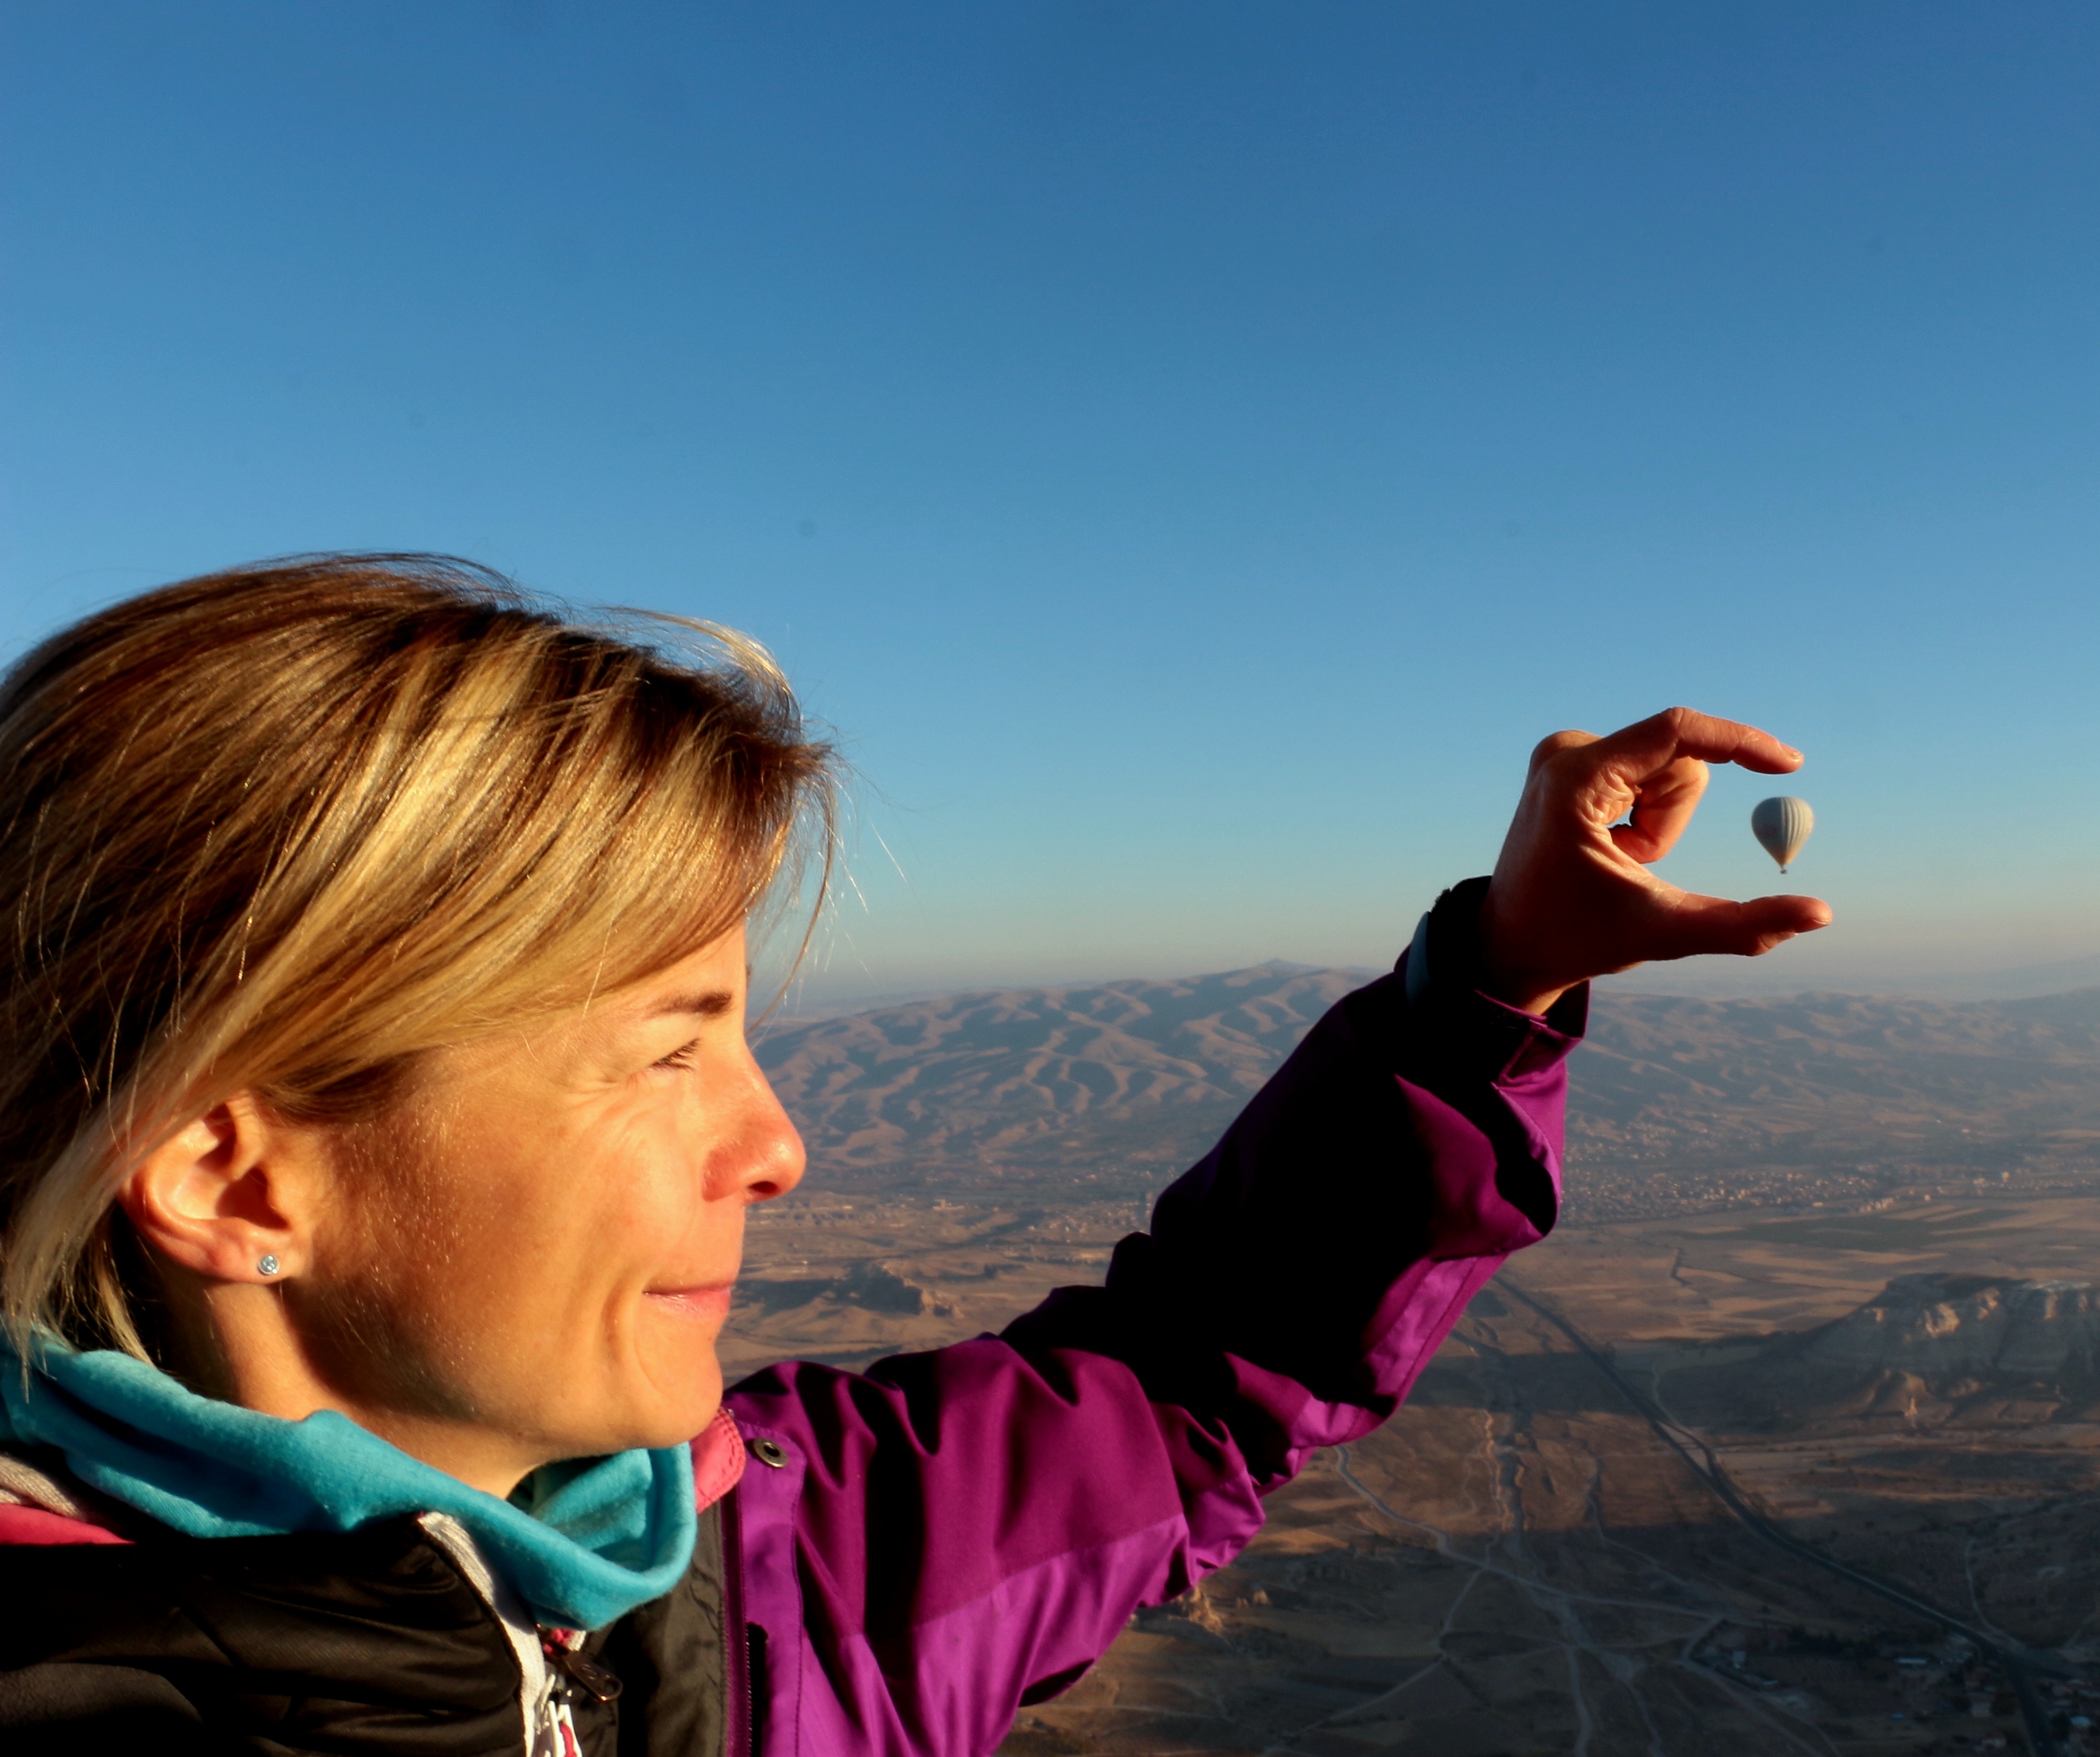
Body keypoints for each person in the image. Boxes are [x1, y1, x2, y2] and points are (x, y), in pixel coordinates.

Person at [0, 557, 1829, 1756]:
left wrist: (1491, 986)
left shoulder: (732, 1579)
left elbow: (1191, 1383)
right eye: (665, 1050)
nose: (777, 1143)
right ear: (239, 1181)